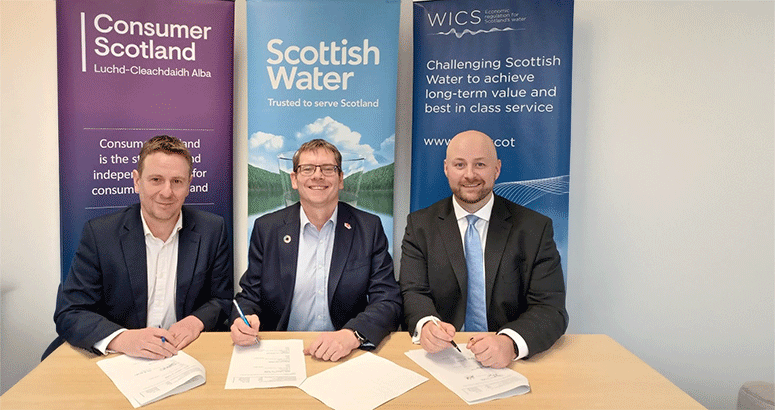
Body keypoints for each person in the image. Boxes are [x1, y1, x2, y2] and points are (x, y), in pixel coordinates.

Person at [52, 135, 233, 360]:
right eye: (156, 179)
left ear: (189, 184)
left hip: (183, 356)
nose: (167, 192)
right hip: (119, 357)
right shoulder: (100, 234)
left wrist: (195, 321)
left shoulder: (212, 230)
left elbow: (222, 300)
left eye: (177, 181)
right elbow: (70, 312)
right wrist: (123, 339)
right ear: (137, 181)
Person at [399, 130, 568, 368]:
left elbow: (550, 308)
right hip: (443, 357)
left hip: (509, 361)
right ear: (446, 168)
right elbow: (412, 292)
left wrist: (510, 343)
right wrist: (426, 324)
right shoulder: (420, 226)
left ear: (496, 169)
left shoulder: (535, 229)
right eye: (459, 164)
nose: (469, 175)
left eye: (480, 164)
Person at [231, 139, 401, 362]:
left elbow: (388, 300)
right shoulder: (267, 228)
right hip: (283, 352)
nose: (318, 176)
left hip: (346, 352)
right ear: (294, 179)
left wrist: (353, 335)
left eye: (328, 169)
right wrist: (244, 320)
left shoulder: (369, 228)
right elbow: (249, 296)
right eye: (307, 169)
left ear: (341, 179)